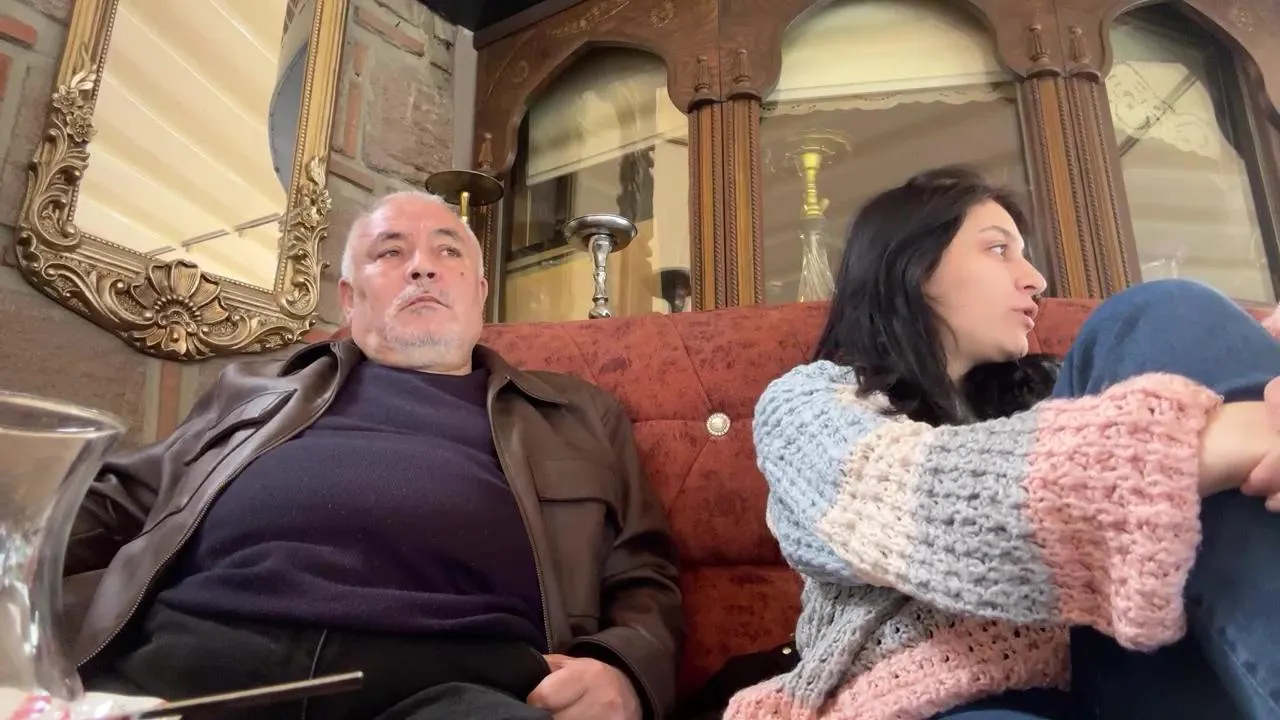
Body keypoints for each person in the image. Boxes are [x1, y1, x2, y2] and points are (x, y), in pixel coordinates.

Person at [62, 190, 683, 720]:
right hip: (196, 658)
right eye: (390, 252)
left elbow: (641, 573)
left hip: (461, 681)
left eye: (448, 252)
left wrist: (624, 669)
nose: (423, 268)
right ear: (350, 299)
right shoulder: (255, 390)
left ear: (480, 293)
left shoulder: (576, 413)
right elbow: (117, 499)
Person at [723, 166, 1280, 720]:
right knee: (1149, 314)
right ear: (913, 267)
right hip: (929, 697)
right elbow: (918, 504)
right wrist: (1196, 443)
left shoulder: (1055, 392)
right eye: (998, 250)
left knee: (1169, 315)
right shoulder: (807, 404)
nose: (1035, 279)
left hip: (1122, 660)